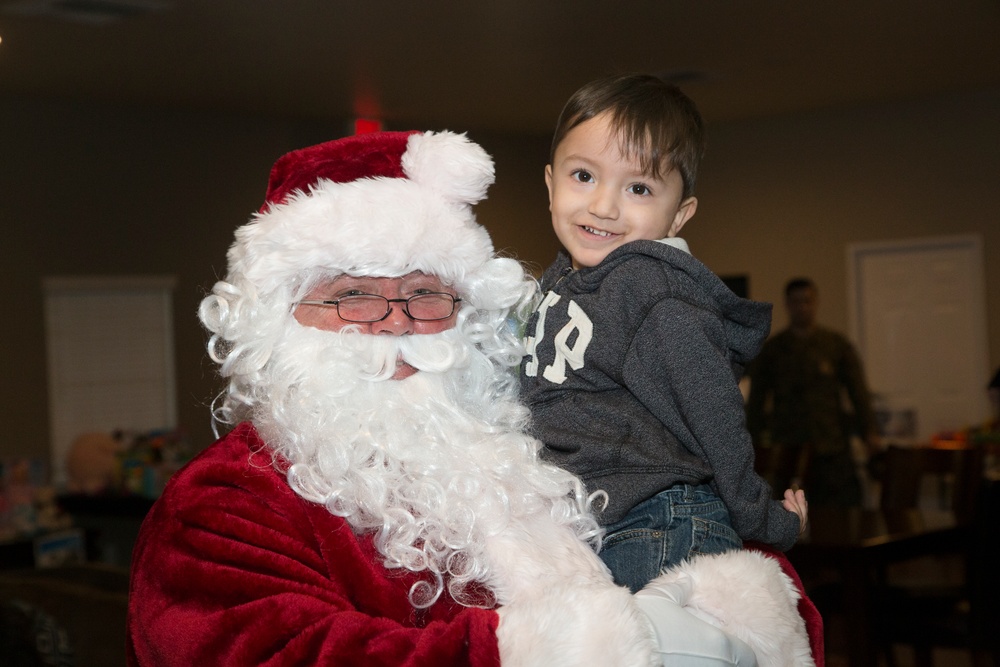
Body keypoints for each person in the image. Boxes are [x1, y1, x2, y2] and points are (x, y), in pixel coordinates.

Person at [126, 130, 821, 666]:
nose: (396, 319)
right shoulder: (223, 503)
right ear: (275, 319)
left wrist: (740, 608)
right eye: (352, 295)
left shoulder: (538, 448)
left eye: (426, 293)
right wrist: (538, 652)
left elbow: (688, 525)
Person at [520, 74, 807, 594]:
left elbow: (713, 415)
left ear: (678, 215)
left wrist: (765, 518)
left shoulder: (653, 292)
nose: (603, 206)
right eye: (583, 175)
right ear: (549, 183)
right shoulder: (563, 282)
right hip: (595, 523)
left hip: (659, 523)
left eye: (638, 188)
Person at [746, 277, 880, 508]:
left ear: (815, 302)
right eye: (796, 302)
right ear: (787, 305)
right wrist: (751, 442)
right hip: (788, 449)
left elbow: (858, 392)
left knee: (839, 512)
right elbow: (757, 399)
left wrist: (869, 431)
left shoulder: (835, 345)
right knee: (791, 515)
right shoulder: (773, 350)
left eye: (807, 301)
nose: (802, 307)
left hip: (831, 447)